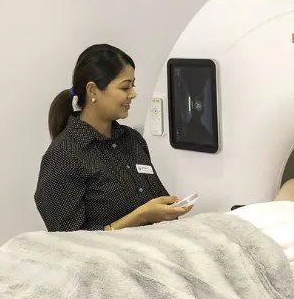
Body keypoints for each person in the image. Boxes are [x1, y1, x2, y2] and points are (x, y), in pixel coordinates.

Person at [35, 44, 191, 232]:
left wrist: (169, 209)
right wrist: (141, 216)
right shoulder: (63, 156)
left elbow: (153, 202)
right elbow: (69, 243)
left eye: (133, 85)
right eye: (125, 87)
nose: (133, 94)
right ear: (93, 91)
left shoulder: (132, 140)